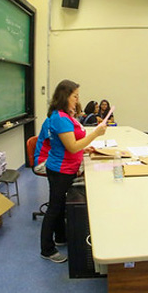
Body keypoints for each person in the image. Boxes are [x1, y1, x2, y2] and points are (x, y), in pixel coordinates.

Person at [37, 79, 106, 263]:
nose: (77, 100)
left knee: (58, 206)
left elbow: (70, 146)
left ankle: (60, 238)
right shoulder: (60, 119)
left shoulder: (64, 117)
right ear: (65, 96)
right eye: (75, 96)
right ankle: (47, 249)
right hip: (60, 170)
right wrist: (95, 134)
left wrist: (85, 148)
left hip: (65, 167)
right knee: (54, 208)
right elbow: (72, 146)